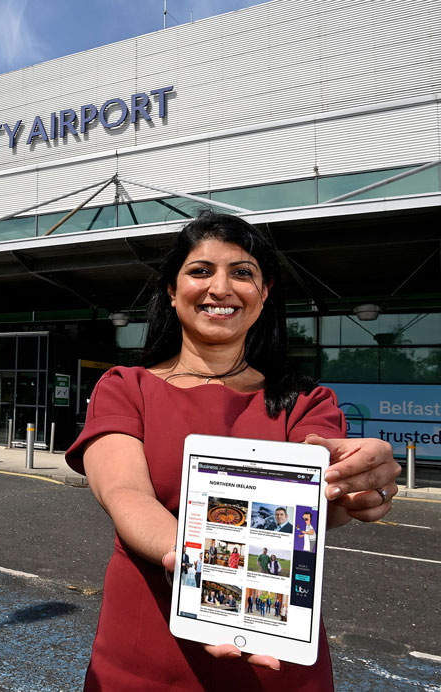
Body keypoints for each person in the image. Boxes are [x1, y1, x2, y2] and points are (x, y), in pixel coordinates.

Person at [65, 211, 400, 690]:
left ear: (264, 294)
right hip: (142, 656)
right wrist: (206, 574)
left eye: (242, 272)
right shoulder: (126, 387)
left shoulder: (305, 402)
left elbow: (323, 500)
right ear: (172, 290)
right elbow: (125, 493)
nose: (220, 288)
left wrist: (360, 484)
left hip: (276, 656)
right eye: (201, 271)